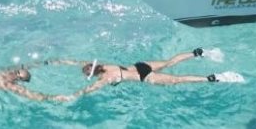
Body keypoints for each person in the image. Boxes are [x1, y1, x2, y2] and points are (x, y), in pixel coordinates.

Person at [44, 48, 223, 102]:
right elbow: (78, 62)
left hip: (145, 77)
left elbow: (87, 90)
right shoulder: (105, 67)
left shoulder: (106, 79)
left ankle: (209, 78)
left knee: (177, 80)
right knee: (169, 62)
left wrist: (69, 96)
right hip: (141, 65)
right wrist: (60, 61)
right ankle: (197, 53)